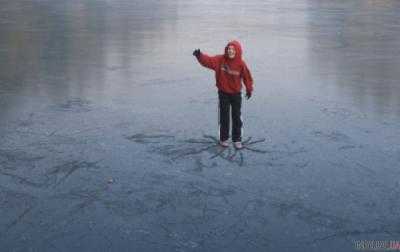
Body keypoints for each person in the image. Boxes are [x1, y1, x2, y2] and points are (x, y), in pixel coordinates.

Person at [193, 40, 253, 149]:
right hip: (223, 93)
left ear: (237, 51)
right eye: (229, 49)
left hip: (236, 94)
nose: (230, 51)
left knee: (236, 117)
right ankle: (224, 139)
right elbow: (208, 61)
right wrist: (199, 56)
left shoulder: (241, 63)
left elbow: (247, 77)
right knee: (224, 116)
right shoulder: (220, 60)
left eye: (233, 49)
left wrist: (249, 89)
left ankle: (237, 139)